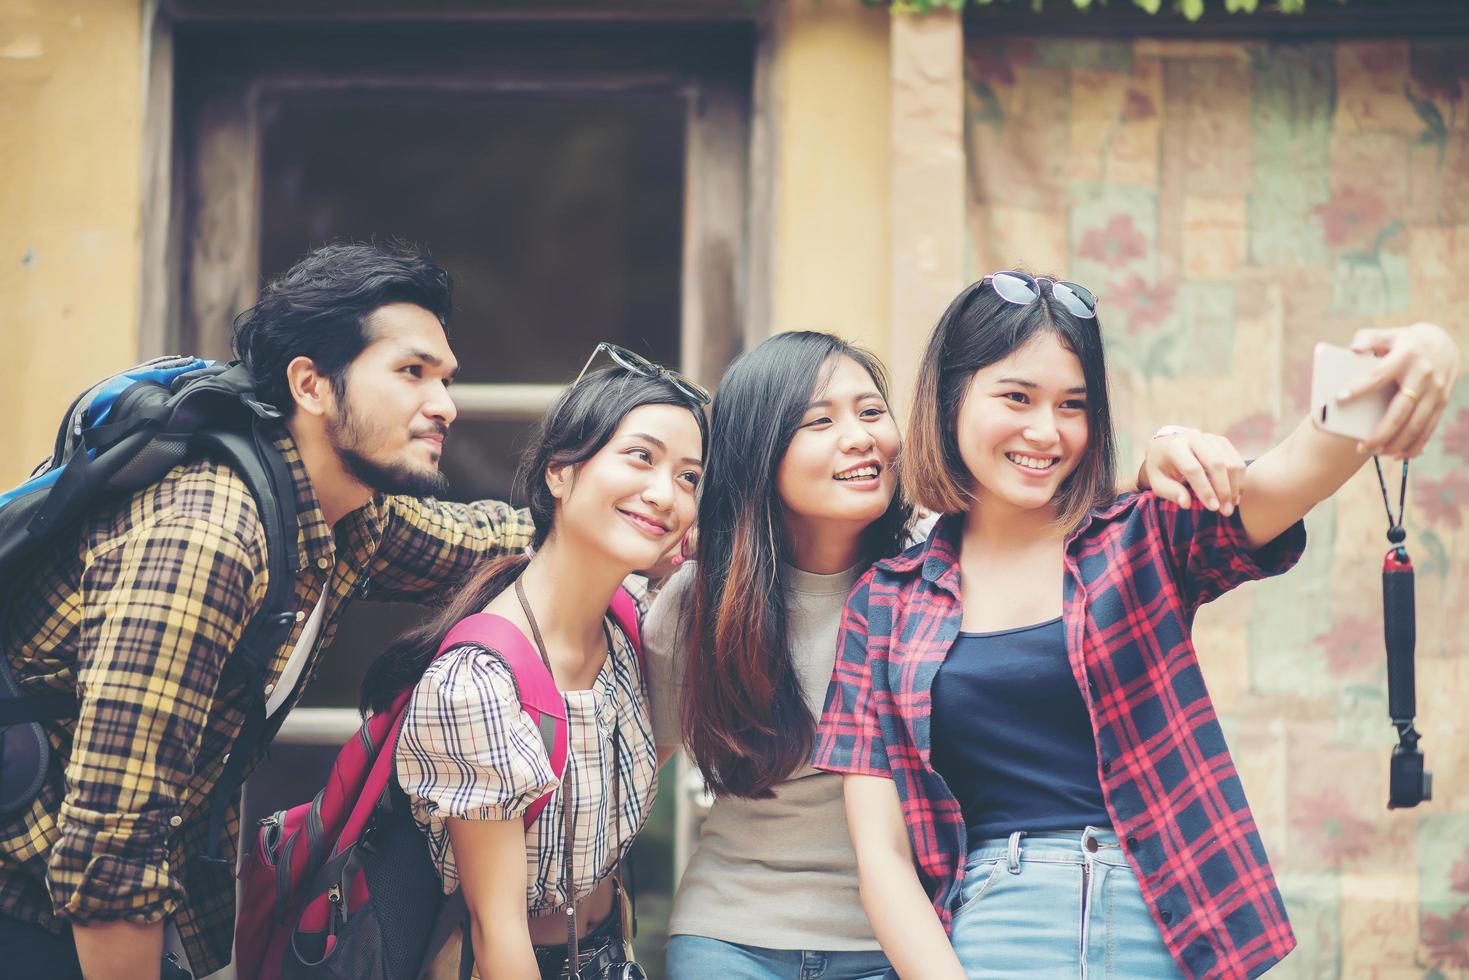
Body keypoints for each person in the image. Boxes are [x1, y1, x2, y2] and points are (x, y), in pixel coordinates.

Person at [812, 271, 1460, 979]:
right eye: (1016, 397)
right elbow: (881, 858)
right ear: (949, 398)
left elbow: (1299, 468)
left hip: (1166, 920)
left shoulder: (1142, 536)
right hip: (995, 929)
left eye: (1072, 405)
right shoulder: (884, 602)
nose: (1045, 431)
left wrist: (1420, 353)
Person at [646, 330, 1256, 979]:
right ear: (757, 453)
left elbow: (1075, 528)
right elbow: (638, 763)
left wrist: (1158, 453)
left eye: (871, 412)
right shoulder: (700, 600)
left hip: (904, 942)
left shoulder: (942, 569)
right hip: (730, 934)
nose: (859, 437)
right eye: (819, 421)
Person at [0, 242, 538, 980]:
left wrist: (654, 519)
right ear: (311, 385)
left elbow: (485, 542)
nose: (443, 404)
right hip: (29, 915)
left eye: (445, 379)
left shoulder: (346, 517)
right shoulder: (208, 534)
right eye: (412, 372)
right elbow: (112, 847)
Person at [366, 348, 708, 980]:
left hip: (608, 953)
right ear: (560, 472)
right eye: (641, 456)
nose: (665, 494)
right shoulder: (478, 683)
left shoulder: (628, 623)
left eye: (689, 478)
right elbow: (500, 938)